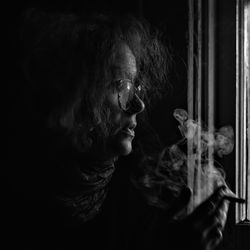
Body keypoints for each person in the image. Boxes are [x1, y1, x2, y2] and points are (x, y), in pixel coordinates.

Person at [8, 8, 230, 250]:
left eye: (136, 87)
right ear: (77, 97)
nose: (138, 104)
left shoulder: (139, 192)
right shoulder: (21, 201)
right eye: (121, 87)